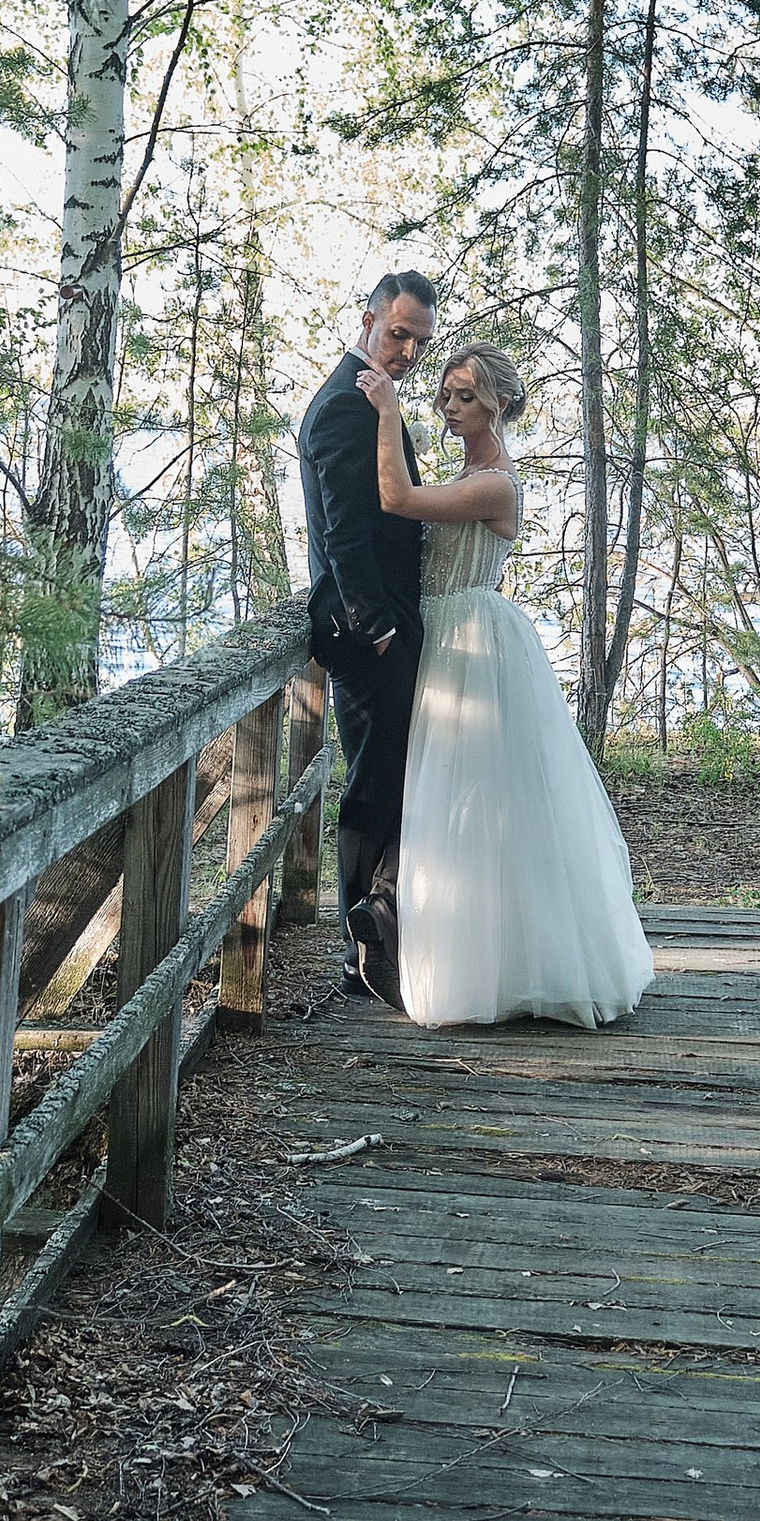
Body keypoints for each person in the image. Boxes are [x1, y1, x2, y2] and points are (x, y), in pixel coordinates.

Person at [357, 339, 654, 1031]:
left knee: (480, 807)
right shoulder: (469, 470)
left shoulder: (494, 482)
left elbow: (397, 497)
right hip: (446, 638)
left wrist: (384, 409)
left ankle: (516, 966)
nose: (451, 407)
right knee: (456, 809)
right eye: (447, 395)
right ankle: (469, 955)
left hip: (471, 645)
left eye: (466, 397)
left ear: (499, 404)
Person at [299, 269, 437, 1003]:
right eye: (398, 333)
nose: (408, 350)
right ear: (368, 320)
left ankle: (382, 938)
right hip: (366, 634)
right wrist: (377, 626)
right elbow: (345, 535)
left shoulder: (367, 399)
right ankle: (359, 957)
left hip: (385, 628)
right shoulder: (342, 409)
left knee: (390, 781)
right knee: (371, 788)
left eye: (419, 340)